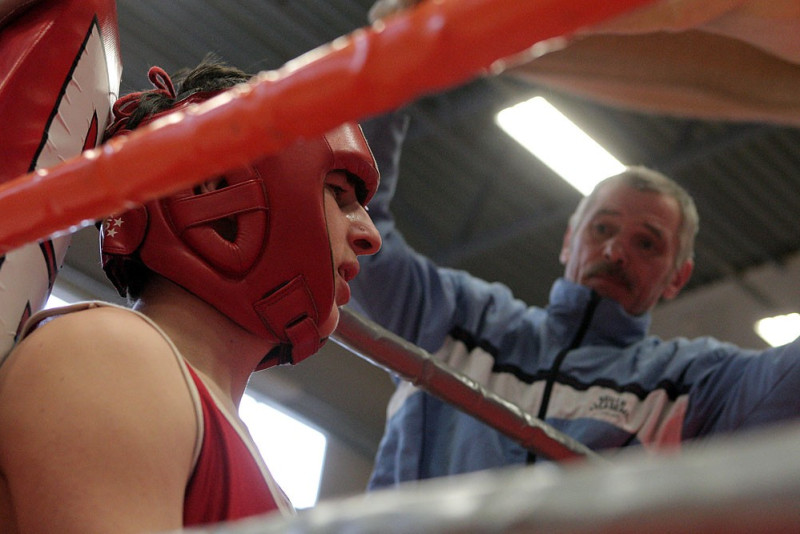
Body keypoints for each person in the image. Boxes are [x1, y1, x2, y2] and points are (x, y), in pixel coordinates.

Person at [0, 59, 382, 532]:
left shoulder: (266, 478)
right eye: (339, 194)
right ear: (216, 186)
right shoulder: (109, 357)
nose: (369, 235)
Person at [350, 108, 800, 489]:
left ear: (676, 278)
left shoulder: (693, 382)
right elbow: (354, 228)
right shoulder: (460, 317)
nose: (615, 251)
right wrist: (390, 81)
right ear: (569, 241)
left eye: (647, 244)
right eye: (602, 229)